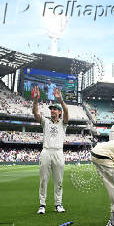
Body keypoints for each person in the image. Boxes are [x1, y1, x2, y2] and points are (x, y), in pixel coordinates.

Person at [32, 85, 69, 214]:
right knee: (43, 180)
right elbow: (35, 114)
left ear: (59, 112)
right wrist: (36, 100)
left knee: (58, 180)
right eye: (51, 109)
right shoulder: (45, 122)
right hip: (46, 151)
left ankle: (58, 204)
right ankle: (42, 205)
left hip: (58, 152)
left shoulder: (63, 123)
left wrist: (61, 101)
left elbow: (67, 112)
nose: (52, 111)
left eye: (55, 109)